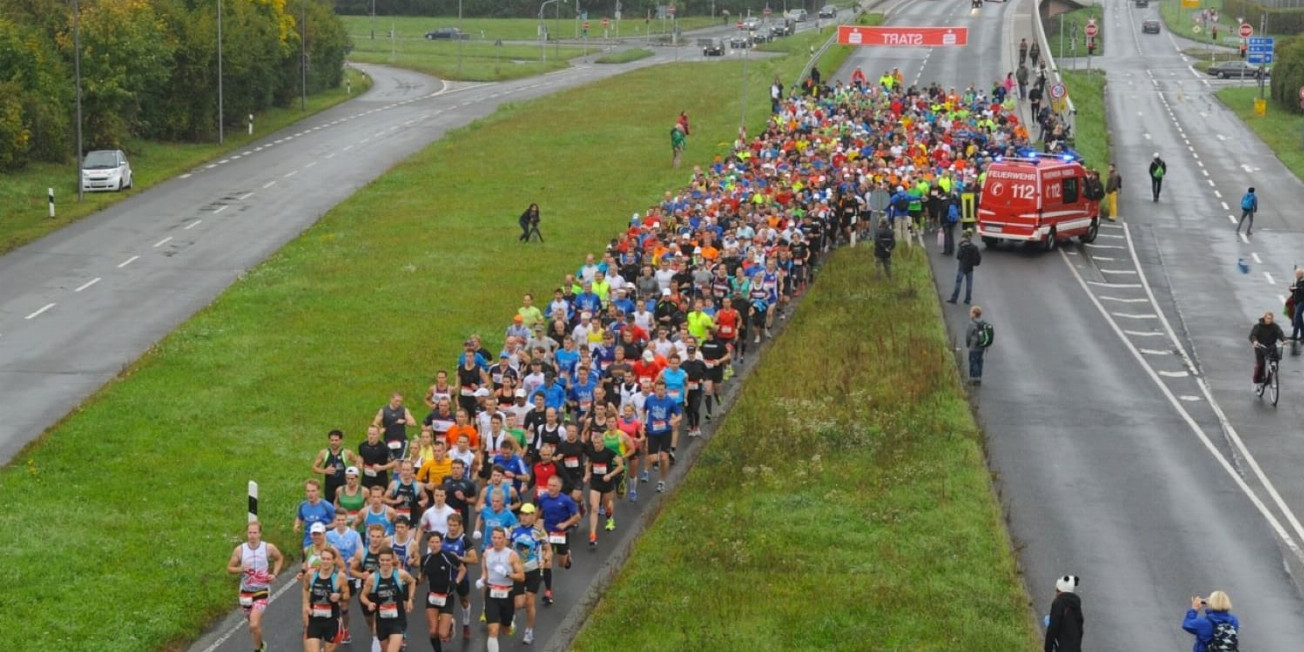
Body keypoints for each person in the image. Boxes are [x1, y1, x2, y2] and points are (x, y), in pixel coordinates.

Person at [226, 520, 284, 652]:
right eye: (250, 533)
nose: (252, 535)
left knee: (254, 624)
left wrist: (274, 574)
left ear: (260, 534)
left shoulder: (268, 548)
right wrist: (241, 568)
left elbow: (279, 558)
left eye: (255, 533)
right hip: (245, 592)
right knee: (252, 626)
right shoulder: (240, 550)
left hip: (262, 590)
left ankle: (258, 649)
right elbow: (229, 568)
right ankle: (261, 644)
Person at [359, 547, 417, 652]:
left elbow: (412, 581)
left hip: (398, 620)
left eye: (388, 560)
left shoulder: (400, 574)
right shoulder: (373, 578)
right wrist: (368, 603)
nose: (385, 563)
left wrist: (410, 599)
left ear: (392, 560)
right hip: (382, 622)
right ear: (379, 560)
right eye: (382, 560)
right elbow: (363, 595)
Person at [480, 527, 527, 652]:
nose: (496, 540)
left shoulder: (511, 555)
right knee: (493, 630)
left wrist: (507, 574)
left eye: (499, 538)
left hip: (507, 594)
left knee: (505, 630)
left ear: (505, 539)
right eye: (494, 538)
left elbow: (521, 576)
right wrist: (482, 580)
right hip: (491, 594)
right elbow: (485, 571)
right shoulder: (486, 553)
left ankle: (509, 621)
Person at [420, 530, 466, 652]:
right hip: (432, 597)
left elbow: (462, 569)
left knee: (443, 634)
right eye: (432, 542)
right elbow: (422, 576)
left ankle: (450, 624)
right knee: (433, 631)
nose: (434, 545)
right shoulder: (425, 559)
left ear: (441, 543)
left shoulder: (449, 557)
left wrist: (456, 582)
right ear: (428, 544)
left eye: (437, 542)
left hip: (447, 597)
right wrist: (415, 581)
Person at [510, 503, 550, 645]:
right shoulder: (513, 529)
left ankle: (529, 631)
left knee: (530, 601)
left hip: (533, 570)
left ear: (534, 516)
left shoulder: (539, 531)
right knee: (519, 604)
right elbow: (504, 545)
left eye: (527, 515)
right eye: (522, 514)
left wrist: (544, 560)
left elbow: (548, 550)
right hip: (518, 571)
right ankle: (512, 614)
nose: (524, 517)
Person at [302, 547, 348, 652]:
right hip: (314, 619)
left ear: (334, 561)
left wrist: (339, 596)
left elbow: (347, 595)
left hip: (332, 620)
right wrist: (306, 605)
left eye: (328, 559)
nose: (325, 562)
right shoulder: (311, 574)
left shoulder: (340, 577)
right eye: (323, 558)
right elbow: (305, 589)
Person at [313, 429, 359, 503]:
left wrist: (353, 472)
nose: (333, 442)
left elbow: (358, 461)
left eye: (336, 440)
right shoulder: (324, 453)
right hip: (329, 487)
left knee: (343, 508)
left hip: (343, 486)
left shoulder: (347, 453)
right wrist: (324, 471)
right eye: (332, 440)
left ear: (341, 441)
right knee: (330, 508)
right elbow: (314, 468)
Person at [1044, 575, 1083, 652]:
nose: (1056, 593)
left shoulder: (1058, 603)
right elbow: (1080, 629)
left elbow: (1053, 628)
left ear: (1060, 591)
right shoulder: (1076, 604)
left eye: (1057, 590)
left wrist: (1048, 648)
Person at [295, 479, 338, 549]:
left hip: (324, 542)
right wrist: (297, 525)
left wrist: (325, 527)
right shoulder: (303, 505)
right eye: (308, 491)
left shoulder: (326, 506)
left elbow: (336, 522)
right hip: (308, 542)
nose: (310, 494)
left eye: (313, 491)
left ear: (319, 491)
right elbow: (299, 517)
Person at [1250, 311, 1285, 387]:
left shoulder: (1275, 326)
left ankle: (1269, 379)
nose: (1269, 320)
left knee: (1275, 362)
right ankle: (1257, 380)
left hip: (1271, 347)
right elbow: (1253, 335)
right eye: (1268, 318)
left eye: (1271, 319)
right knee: (1260, 364)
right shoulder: (1258, 326)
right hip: (1260, 346)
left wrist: (1284, 340)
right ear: (1264, 318)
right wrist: (1255, 341)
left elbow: (1280, 333)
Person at [948, 231, 981, 305]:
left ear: (964, 238)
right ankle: (967, 299)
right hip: (970, 268)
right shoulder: (974, 247)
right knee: (969, 284)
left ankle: (954, 298)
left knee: (958, 282)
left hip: (962, 266)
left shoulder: (962, 246)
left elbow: (958, 256)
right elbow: (977, 258)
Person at [966, 305, 992, 385]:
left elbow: (968, 335)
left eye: (970, 312)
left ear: (974, 314)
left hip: (973, 347)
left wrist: (968, 344)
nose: (969, 314)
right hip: (981, 347)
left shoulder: (972, 324)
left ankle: (974, 379)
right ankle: (979, 377)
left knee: (973, 362)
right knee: (979, 361)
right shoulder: (984, 323)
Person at [1289, 268, 1304, 343]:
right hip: (1296, 301)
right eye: (1296, 274)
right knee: (1300, 319)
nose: (1296, 275)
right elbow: (1293, 289)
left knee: (1296, 317)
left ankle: (1294, 335)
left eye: (1298, 274)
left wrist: (1297, 288)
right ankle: (1302, 336)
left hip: (1302, 301)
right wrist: (1291, 288)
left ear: (1302, 274)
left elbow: (1302, 290)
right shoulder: (1296, 280)